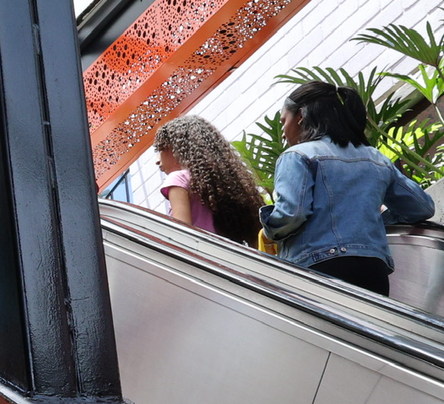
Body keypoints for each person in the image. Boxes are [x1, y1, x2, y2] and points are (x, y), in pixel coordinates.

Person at [261, 80, 435, 293]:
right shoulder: (376, 158)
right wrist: (373, 222)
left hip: (318, 268)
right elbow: (421, 208)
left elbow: (293, 214)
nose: (283, 131)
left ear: (300, 116)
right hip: (373, 269)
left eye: (283, 120)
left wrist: (269, 230)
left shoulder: (297, 156)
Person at [152, 115, 265, 247]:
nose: (157, 160)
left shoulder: (178, 179)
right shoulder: (225, 183)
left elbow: (182, 237)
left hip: (205, 261)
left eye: (160, 149)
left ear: (177, 148)